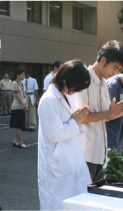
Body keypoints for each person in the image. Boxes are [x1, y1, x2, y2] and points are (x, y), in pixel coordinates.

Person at [72, 40, 123, 182]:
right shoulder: (83, 80)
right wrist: (108, 113)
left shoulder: (103, 83)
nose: (115, 73)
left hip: (99, 152)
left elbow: (108, 116)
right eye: (115, 68)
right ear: (103, 60)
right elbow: (82, 118)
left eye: (118, 70)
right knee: (83, 198)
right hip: (85, 153)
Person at [38, 59, 91, 210]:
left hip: (71, 158)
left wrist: (78, 119)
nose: (76, 92)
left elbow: (71, 124)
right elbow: (55, 134)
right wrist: (75, 121)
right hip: (56, 164)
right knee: (56, 204)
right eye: (76, 87)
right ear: (66, 79)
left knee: (74, 202)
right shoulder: (48, 100)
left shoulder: (66, 96)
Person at [10, 69, 29, 149]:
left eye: (24, 75)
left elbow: (25, 94)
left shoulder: (22, 83)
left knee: (20, 125)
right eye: (22, 74)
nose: (23, 76)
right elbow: (17, 96)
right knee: (19, 125)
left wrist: (26, 104)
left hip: (22, 105)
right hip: (17, 106)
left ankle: (16, 140)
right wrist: (24, 105)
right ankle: (20, 142)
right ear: (17, 75)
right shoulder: (15, 83)